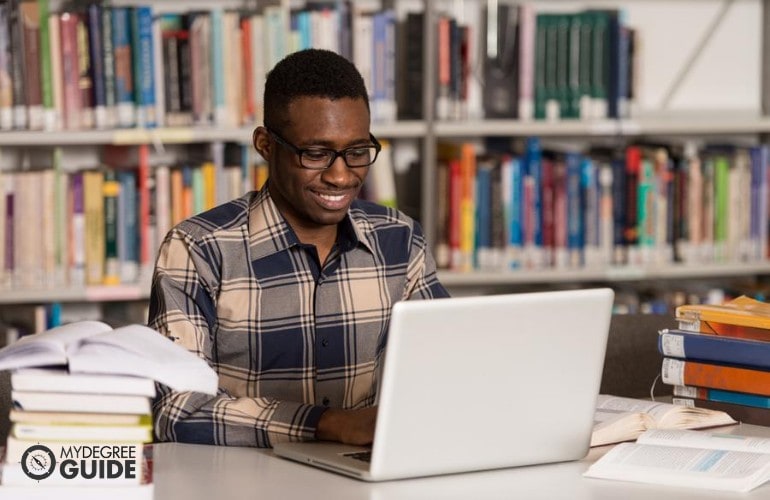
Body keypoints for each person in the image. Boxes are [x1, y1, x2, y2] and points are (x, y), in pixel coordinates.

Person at [148, 48, 449, 448]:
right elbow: (177, 409)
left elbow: (447, 370)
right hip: (240, 482)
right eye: (316, 154)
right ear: (266, 146)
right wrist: (329, 423)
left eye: (357, 152)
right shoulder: (198, 249)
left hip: (364, 477)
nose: (341, 176)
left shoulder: (400, 239)